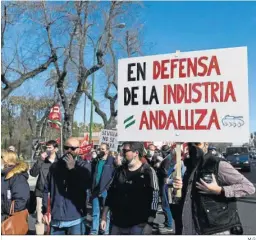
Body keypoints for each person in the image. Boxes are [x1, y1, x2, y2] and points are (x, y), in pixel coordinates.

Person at [173, 142, 255, 235]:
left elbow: (249, 187)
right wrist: (180, 188)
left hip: (216, 229)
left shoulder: (218, 164)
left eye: (197, 144)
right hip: (192, 227)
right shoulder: (189, 166)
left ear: (206, 144)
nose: (194, 148)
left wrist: (219, 190)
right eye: (191, 145)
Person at [101, 142, 159, 235]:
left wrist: (150, 223)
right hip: (117, 223)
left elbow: (155, 197)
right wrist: (104, 216)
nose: (122, 153)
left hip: (138, 224)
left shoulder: (148, 171)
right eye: (122, 150)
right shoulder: (119, 171)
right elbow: (111, 193)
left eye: (125, 150)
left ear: (136, 153)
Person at [42, 137, 91, 235]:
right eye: (66, 147)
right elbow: (45, 189)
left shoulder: (84, 166)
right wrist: (45, 211)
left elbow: (85, 187)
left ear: (78, 150)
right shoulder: (55, 166)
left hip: (75, 219)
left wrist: (72, 170)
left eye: (72, 148)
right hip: (56, 219)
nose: (69, 151)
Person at [30, 140, 59, 235]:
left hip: (55, 194)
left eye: (50, 148)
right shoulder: (42, 161)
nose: (48, 150)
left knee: (53, 219)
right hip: (41, 193)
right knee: (40, 219)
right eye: (47, 147)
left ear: (55, 149)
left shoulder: (60, 162)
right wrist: (40, 160)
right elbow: (33, 173)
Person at [90, 143, 115, 235]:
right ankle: (94, 231)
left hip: (106, 191)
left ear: (107, 151)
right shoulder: (96, 161)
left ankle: (105, 231)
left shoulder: (112, 161)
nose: (101, 151)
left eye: (103, 149)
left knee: (106, 214)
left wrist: (108, 188)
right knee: (95, 212)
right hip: (95, 190)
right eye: (100, 149)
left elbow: (114, 176)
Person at [1, 150, 30, 224]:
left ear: (6, 160)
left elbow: (21, 200)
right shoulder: (4, 174)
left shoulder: (17, 176)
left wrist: (6, 212)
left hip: (9, 218)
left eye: (1, 157)